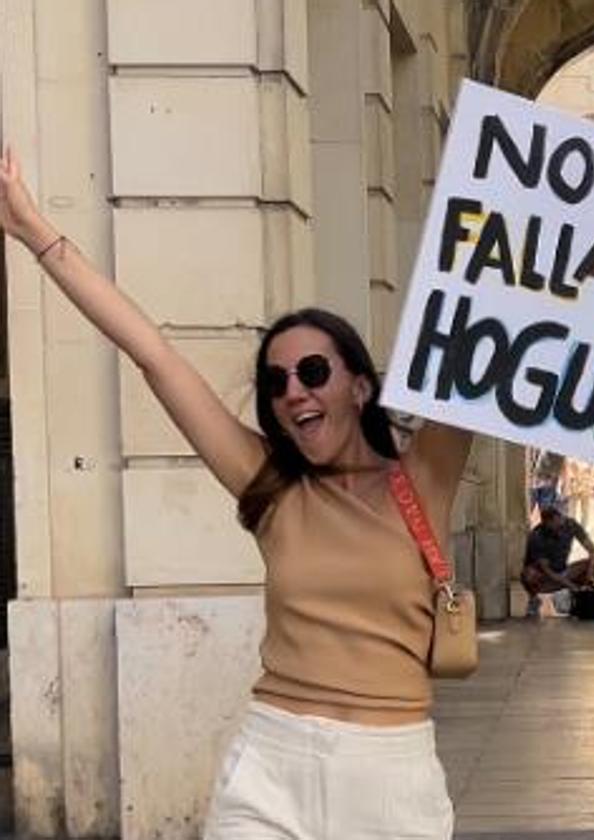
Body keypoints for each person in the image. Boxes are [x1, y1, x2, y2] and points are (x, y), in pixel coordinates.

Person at [0, 148, 470, 839]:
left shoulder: (421, 478)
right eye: (276, 382)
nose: (294, 392)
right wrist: (35, 231)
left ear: (359, 386)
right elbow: (153, 353)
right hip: (270, 766)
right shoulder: (272, 488)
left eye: (312, 371)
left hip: (389, 779)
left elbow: (490, 339)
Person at [520, 505, 594, 618]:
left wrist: (589, 576)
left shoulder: (570, 525)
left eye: (559, 523)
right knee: (529, 575)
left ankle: (581, 596)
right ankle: (534, 599)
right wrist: (572, 587)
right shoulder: (538, 536)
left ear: (560, 517)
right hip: (545, 578)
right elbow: (548, 571)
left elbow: (593, 551)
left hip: (563, 571)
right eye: (554, 525)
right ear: (546, 523)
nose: (558, 529)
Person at [528, 449, 565, 524]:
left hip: (547, 481)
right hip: (535, 480)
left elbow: (559, 466)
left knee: (545, 510)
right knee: (529, 507)